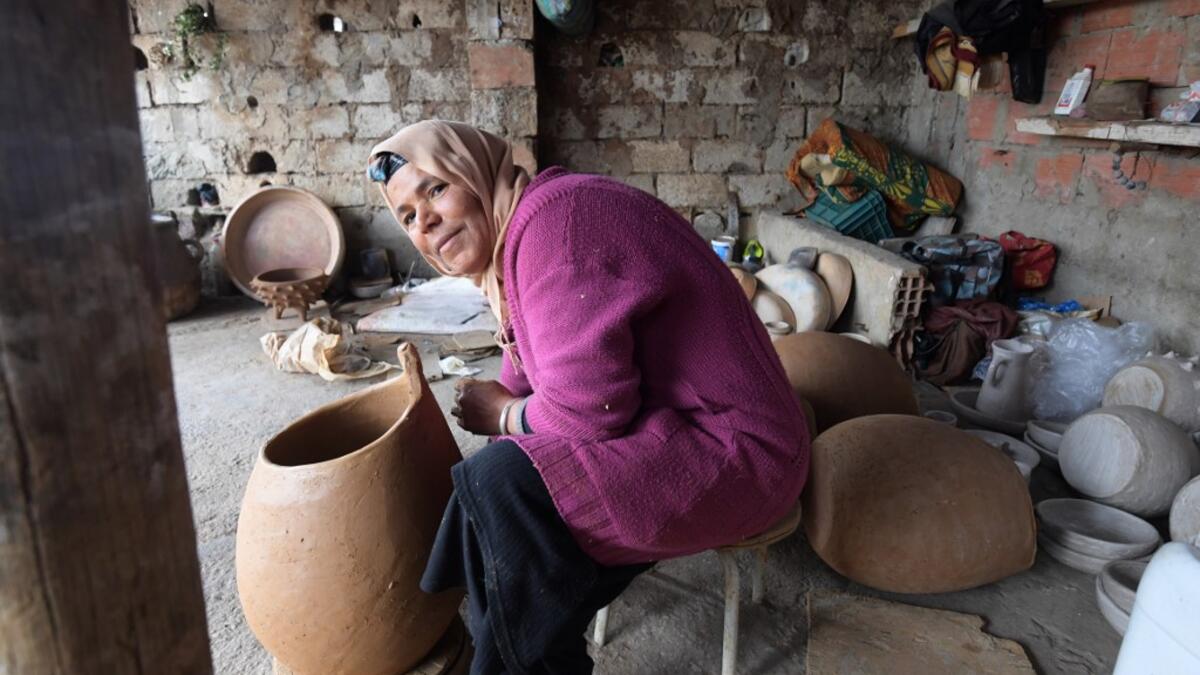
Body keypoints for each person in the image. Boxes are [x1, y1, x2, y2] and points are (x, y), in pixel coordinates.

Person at [367, 120, 809, 674]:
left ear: (474, 173)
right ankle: (511, 640)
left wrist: (504, 415)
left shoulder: (557, 227)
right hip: (684, 425)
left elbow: (586, 413)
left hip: (745, 455)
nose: (425, 221)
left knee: (504, 486)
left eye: (435, 189)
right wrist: (514, 406)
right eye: (407, 216)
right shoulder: (517, 244)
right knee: (502, 505)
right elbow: (530, 374)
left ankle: (518, 651)